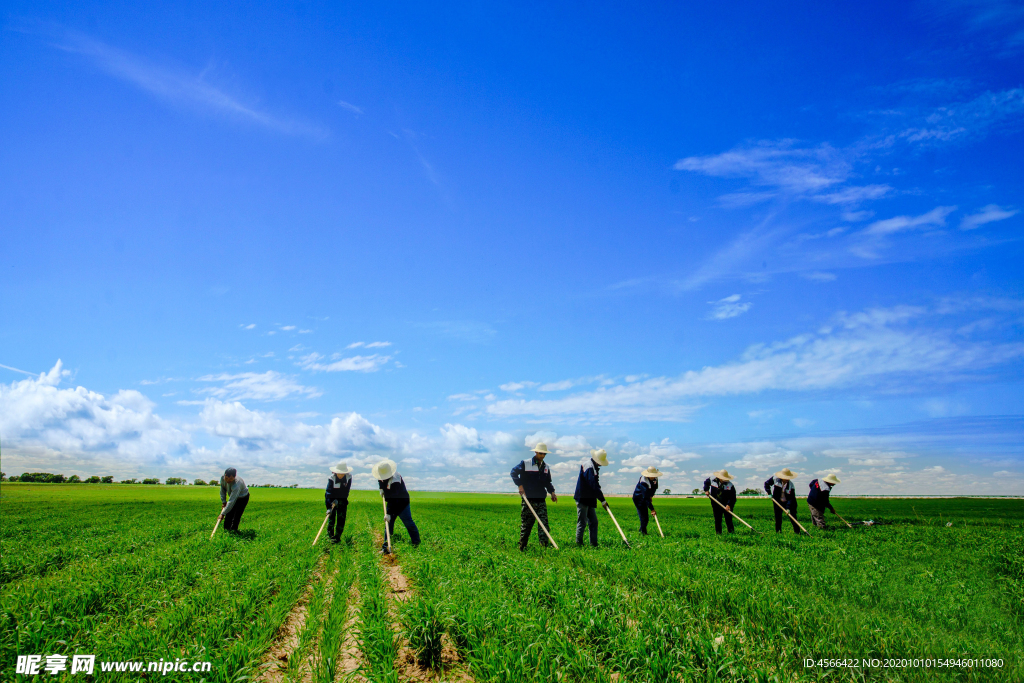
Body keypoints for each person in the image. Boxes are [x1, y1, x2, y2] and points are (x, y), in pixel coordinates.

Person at [510, 443, 558, 550]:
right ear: (536, 452)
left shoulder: (545, 467)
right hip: (529, 500)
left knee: (544, 525)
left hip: (541, 500)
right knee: (526, 526)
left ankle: (544, 548)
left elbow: (547, 482)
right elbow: (513, 472)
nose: (542, 456)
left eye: (544, 454)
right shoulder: (525, 463)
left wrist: (552, 492)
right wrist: (520, 485)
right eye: (541, 453)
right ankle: (522, 547)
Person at [373, 459, 420, 552]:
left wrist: (389, 513)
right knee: (388, 524)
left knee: (408, 523)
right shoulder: (382, 474)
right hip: (392, 501)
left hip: (402, 503)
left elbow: (394, 499)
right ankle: (386, 547)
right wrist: (381, 488)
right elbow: (380, 480)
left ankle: (416, 544)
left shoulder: (395, 480)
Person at [574, 449, 610, 547]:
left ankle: (593, 544)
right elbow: (592, 484)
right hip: (583, 498)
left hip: (590, 498)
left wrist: (602, 499)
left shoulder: (594, 467)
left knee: (593, 522)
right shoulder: (589, 466)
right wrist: (602, 500)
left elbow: (596, 485)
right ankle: (579, 544)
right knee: (582, 522)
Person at [764, 468, 800, 533]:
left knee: (793, 517)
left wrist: (788, 508)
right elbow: (766, 484)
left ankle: (797, 532)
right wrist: (769, 493)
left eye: (788, 477)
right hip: (777, 501)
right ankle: (778, 531)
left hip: (789, 503)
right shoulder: (775, 479)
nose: (787, 479)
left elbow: (791, 498)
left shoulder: (791, 485)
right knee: (778, 517)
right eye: (785, 477)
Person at [325, 462, 353, 543]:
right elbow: (328, 493)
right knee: (331, 519)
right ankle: (330, 538)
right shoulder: (331, 478)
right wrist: (329, 507)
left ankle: (337, 537)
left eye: (342, 473)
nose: (340, 475)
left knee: (341, 519)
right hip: (331, 499)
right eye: (338, 473)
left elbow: (346, 491)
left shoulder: (349, 477)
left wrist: (340, 500)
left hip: (343, 500)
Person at [702, 469, 737, 534]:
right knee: (718, 519)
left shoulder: (730, 485)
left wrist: (729, 505)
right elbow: (706, 483)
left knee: (728, 519)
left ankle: (731, 533)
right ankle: (718, 533)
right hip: (716, 503)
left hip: (726, 504)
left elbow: (733, 497)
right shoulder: (712, 481)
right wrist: (706, 490)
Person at [632, 467, 662, 535]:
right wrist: (652, 509)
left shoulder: (655, 479)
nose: (652, 477)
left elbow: (654, 488)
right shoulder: (643, 481)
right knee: (644, 517)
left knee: (645, 518)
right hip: (638, 498)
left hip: (646, 497)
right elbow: (645, 497)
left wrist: (651, 496)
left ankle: (642, 531)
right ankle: (643, 533)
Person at [218, 467, 250, 533]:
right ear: (225, 475)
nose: (228, 481)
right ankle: (226, 531)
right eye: (226, 478)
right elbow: (222, 490)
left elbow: (232, 500)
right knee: (229, 514)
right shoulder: (222, 478)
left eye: (231, 479)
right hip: (234, 496)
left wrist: (222, 514)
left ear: (234, 477)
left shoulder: (237, 484)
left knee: (237, 515)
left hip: (243, 498)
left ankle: (234, 531)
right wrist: (223, 502)